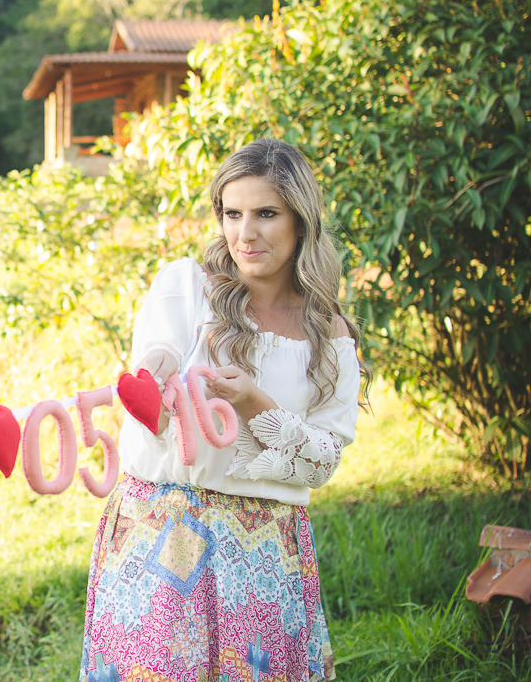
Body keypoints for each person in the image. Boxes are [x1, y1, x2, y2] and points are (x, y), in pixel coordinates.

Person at [79, 139, 369, 682]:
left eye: (266, 214)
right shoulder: (187, 287)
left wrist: (257, 403)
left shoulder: (328, 337)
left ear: (300, 222)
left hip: (263, 546)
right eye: (232, 214)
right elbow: (157, 360)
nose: (245, 233)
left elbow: (322, 463)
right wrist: (157, 370)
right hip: (162, 532)